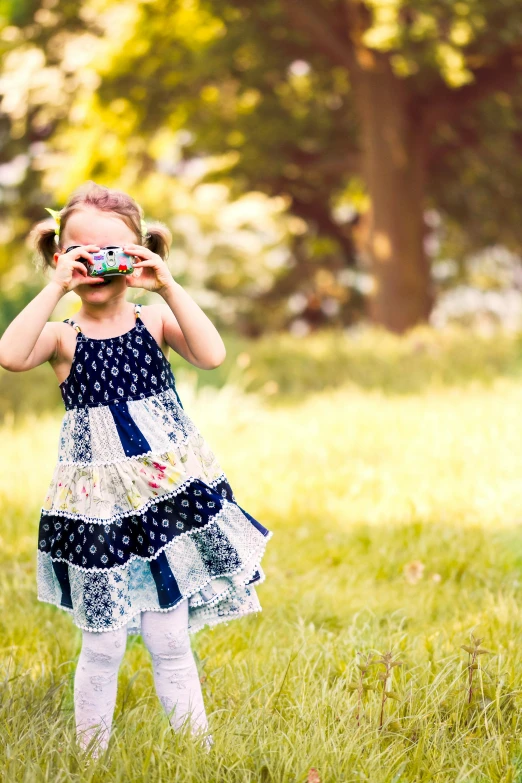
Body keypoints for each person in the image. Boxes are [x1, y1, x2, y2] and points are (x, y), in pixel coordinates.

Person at [0, 181, 273, 758]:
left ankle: (195, 756)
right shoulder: (61, 337)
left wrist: (169, 286)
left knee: (169, 638)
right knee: (101, 646)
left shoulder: (153, 323)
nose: (98, 265)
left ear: (140, 254)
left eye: (112, 252)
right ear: (60, 257)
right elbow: (9, 353)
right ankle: (90, 758)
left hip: (165, 503)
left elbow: (212, 354)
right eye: (82, 253)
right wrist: (54, 288)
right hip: (98, 508)